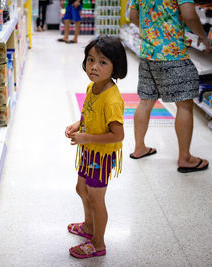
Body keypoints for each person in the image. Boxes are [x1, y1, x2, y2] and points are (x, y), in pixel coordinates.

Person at [129, 0, 210, 173]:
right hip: (171, 53)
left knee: (145, 101)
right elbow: (189, 15)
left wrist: (152, 31)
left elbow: (132, 16)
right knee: (184, 105)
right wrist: (203, 36)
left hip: (148, 53)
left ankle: (139, 148)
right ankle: (185, 158)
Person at [65, 36, 127, 259]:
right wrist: (77, 125)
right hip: (89, 151)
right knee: (82, 190)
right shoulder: (93, 87)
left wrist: (85, 137)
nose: (93, 66)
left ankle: (98, 243)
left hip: (101, 156)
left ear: (115, 66)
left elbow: (117, 135)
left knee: (96, 199)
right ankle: (89, 227)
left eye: (102, 62)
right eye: (90, 59)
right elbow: (88, 113)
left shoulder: (111, 99)